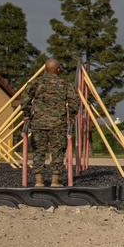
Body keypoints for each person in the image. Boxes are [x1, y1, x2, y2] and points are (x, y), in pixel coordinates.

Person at [21, 58, 77, 187]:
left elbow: (25, 100)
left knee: (38, 151)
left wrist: (27, 114)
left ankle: (39, 181)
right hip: (58, 124)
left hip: (39, 123)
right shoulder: (65, 84)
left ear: (45, 69)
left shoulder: (36, 83)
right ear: (58, 70)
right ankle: (55, 181)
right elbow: (74, 102)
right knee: (57, 152)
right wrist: (71, 116)